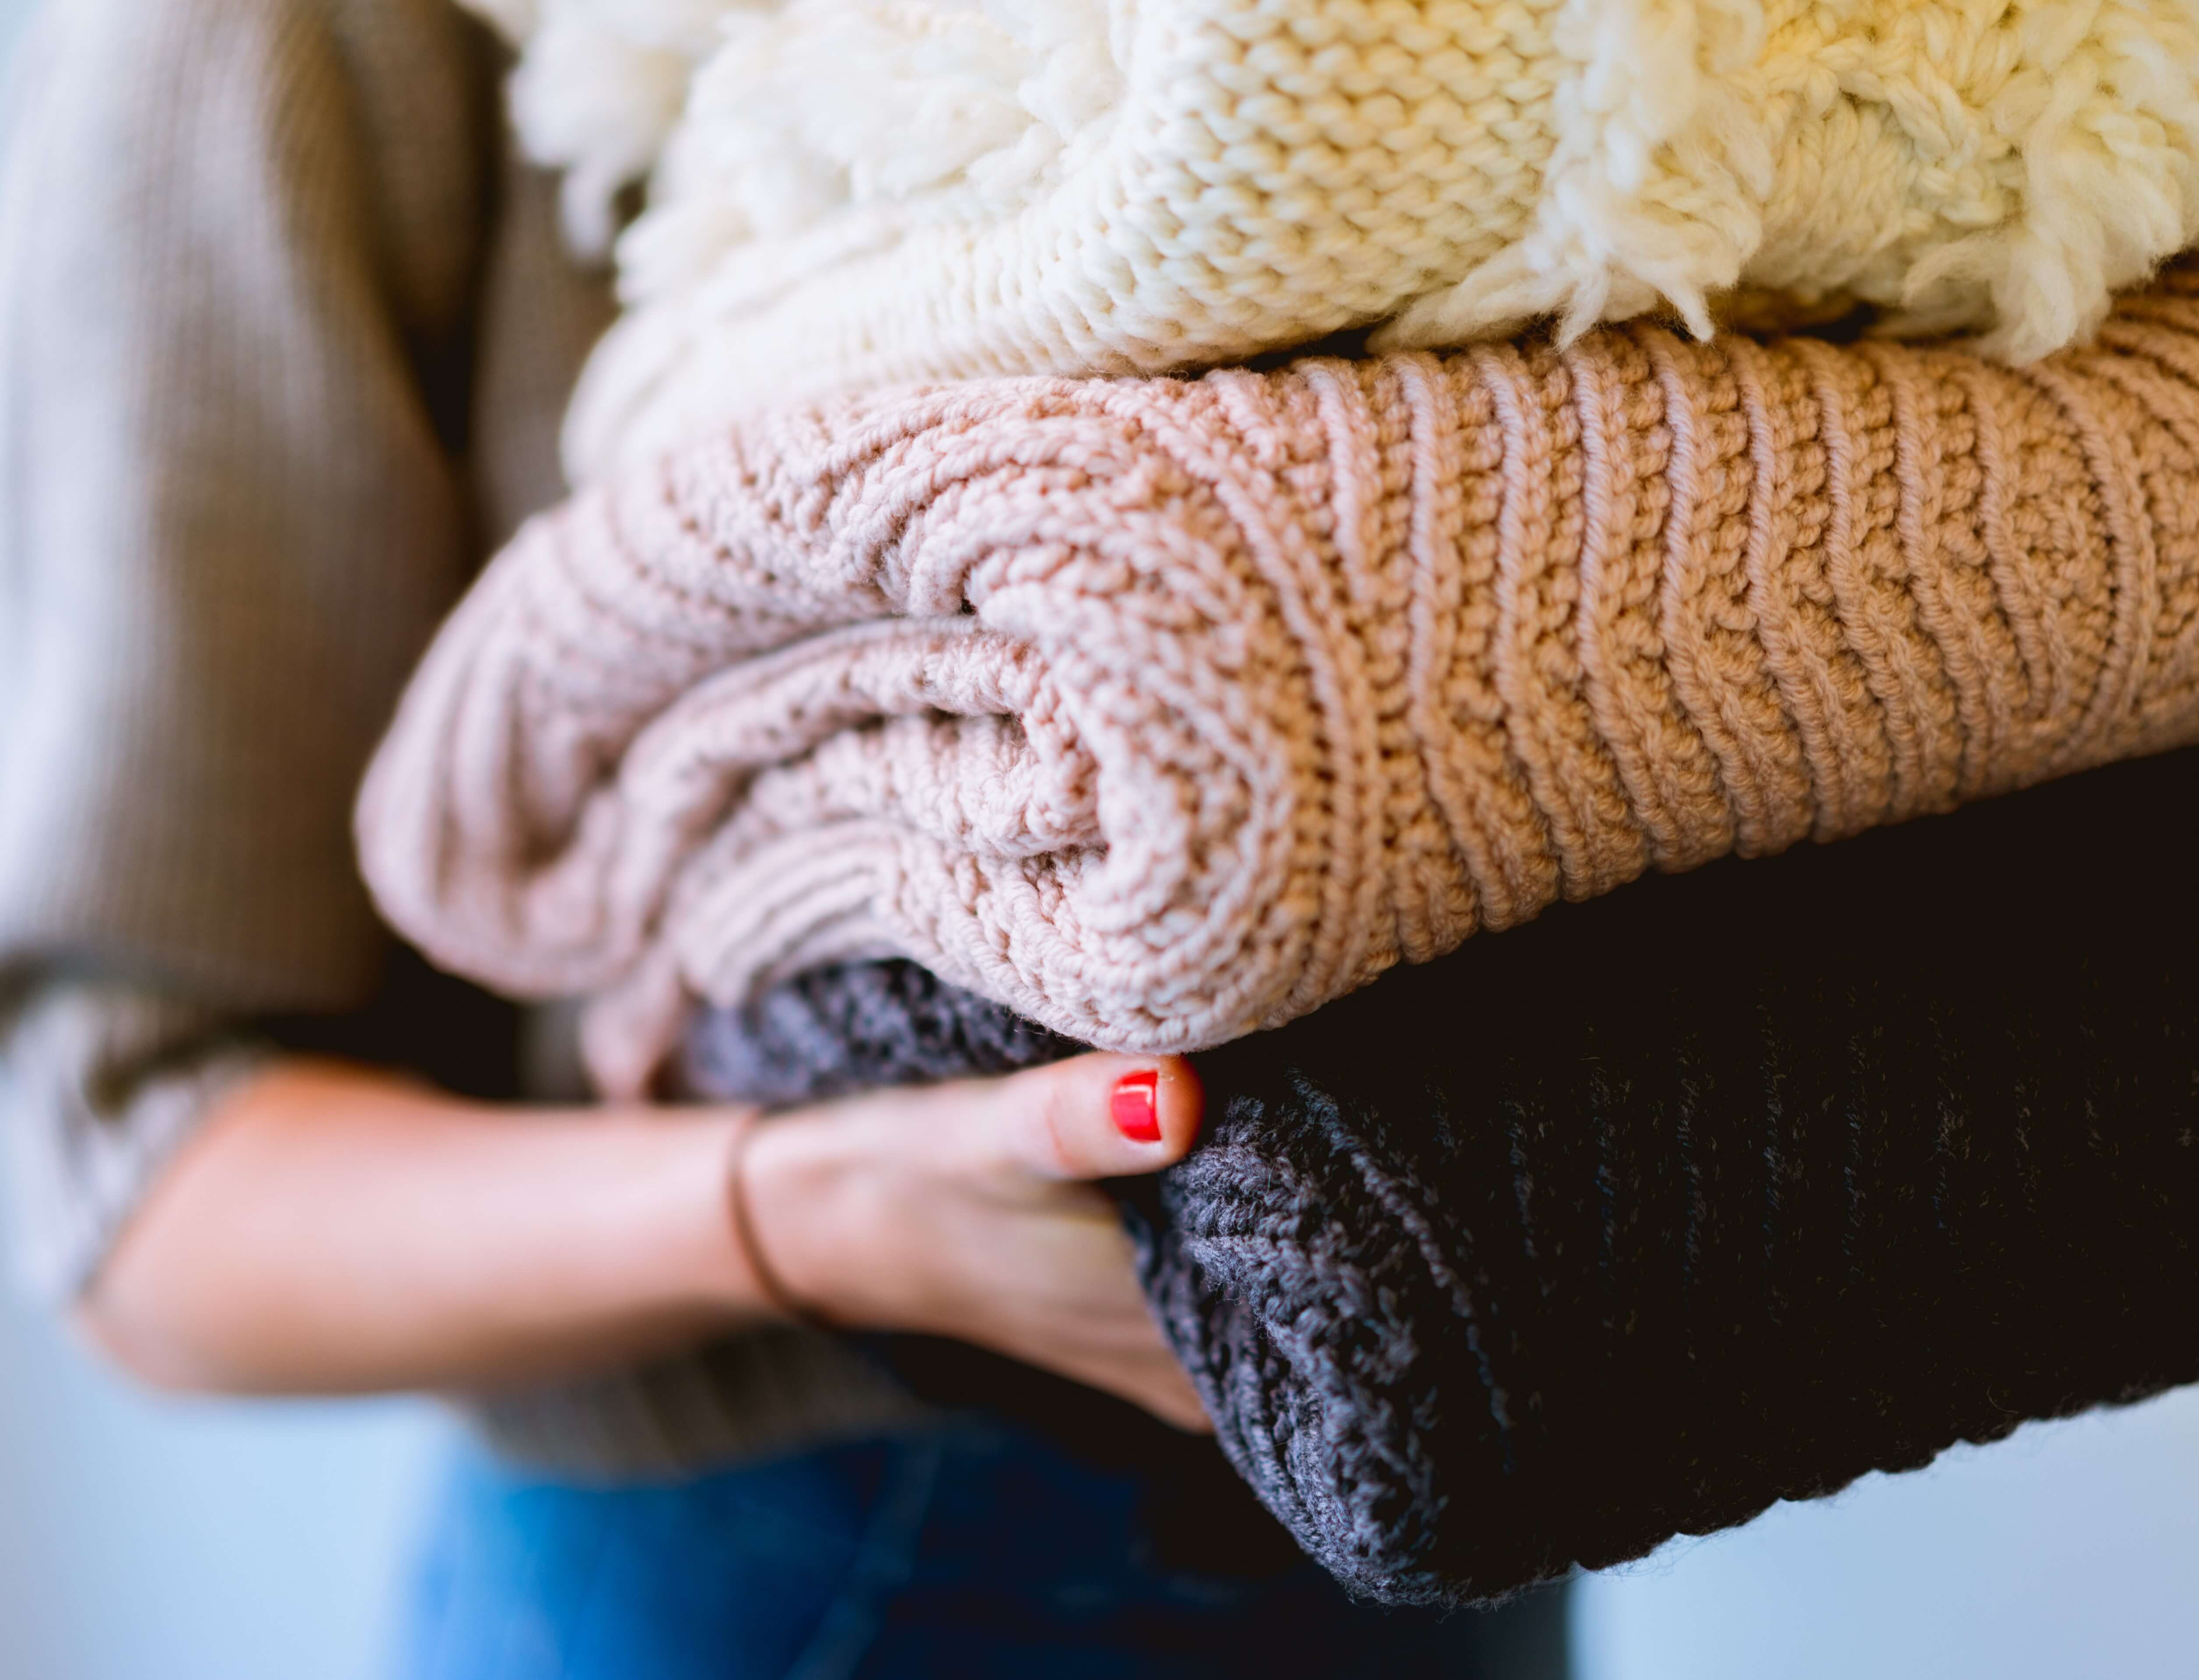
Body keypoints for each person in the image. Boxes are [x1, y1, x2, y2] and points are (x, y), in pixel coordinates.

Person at [0, 1, 1566, 1674]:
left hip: (1472, 1456)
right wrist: (805, 1211)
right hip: (813, 1554)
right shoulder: (274, 40)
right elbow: (140, 1194)